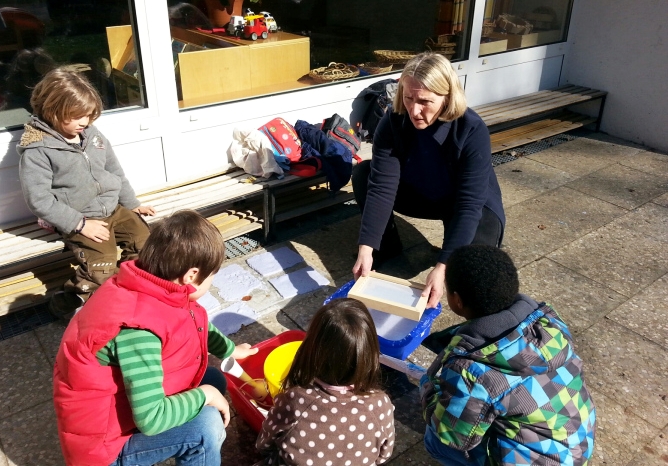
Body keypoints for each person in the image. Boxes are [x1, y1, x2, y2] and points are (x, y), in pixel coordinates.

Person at [53, 209, 259, 466]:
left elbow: (194, 322)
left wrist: (230, 350)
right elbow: (151, 419)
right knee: (206, 426)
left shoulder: (152, 283)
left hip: (120, 407)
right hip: (105, 449)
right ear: (191, 276)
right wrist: (204, 395)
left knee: (214, 378)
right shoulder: (138, 331)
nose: (212, 283)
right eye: (212, 276)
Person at [351, 52, 505, 309]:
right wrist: (365, 248)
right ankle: (384, 249)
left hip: (466, 202)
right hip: (421, 191)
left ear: (447, 97)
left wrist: (444, 266)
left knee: (471, 275)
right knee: (364, 174)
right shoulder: (393, 121)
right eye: (408, 98)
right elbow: (382, 187)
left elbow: (469, 205)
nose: (414, 110)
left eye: (425, 101)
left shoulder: (472, 129)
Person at [419, 245, 596, 466]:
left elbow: (452, 434)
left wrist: (428, 387)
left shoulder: (471, 370)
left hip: (538, 462)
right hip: (577, 445)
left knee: (435, 441)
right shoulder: (547, 322)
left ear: (457, 300)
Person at [18, 67, 155, 318]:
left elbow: (113, 170)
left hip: (113, 208)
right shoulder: (38, 150)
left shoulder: (92, 134)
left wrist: (131, 203)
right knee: (101, 266)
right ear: (52, 110)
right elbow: (39, 199)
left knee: (147, 244)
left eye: (89, 115)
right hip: (80, 217)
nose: (85, 122)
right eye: (77, 116)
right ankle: (65, 301)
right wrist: (80, 224)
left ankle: (126, 288)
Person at [255, 298, 396, 465]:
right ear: (369, 352)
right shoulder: (380, 404)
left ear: (311, 349)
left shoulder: (295, 400)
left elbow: (264, 444)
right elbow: (383, 455)